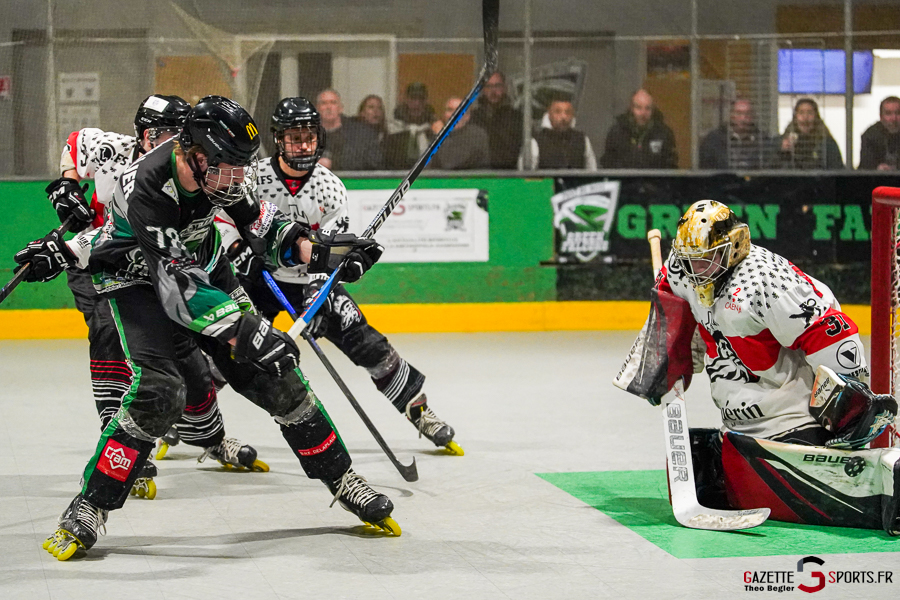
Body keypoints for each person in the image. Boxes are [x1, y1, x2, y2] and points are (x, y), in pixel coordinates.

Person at [21, 95, 395, 561]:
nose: (238, 181)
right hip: (134, 277)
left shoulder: (220, 169)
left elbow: (261, 222)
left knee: (274, 377)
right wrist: (243, 330)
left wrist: (317, 251)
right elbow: (174, 284)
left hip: (201, 261)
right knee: (160, 391)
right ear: (195, 155)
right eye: (229, 170)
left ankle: (341, 477)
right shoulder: (149, 184)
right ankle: (89, 505)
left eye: (242, 170)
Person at [27, 95, 268, 501]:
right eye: (158, 134)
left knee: (187, 357)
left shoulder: (187, 167)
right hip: (104, 266)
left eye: (175, 135)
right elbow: (75, 141)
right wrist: (68, 182)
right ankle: (121, 445)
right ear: (140, 134)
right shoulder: (113, 151)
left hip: (159, 271)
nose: (166, 142)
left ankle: (210, 437)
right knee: (108, 339)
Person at [614, 200, 900, 533]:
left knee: (769, 474)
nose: (697, 271)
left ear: (735, 245)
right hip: (739, 423)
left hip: (793, 418)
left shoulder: (766, 281)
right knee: (700, 460)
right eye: (691, 261)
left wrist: (850, 402)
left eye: (707, 259)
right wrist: (660, 362)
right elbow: (677, 316)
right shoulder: (682, 269)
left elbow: (832, 334)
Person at [217, 96, 463, 455]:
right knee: (228, 346)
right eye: (293, 137)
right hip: (260, 278)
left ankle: (419, 410)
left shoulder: (330, 187)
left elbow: (330, 253)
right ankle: (193, 421)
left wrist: (318, 299)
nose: (303, 145)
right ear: (278, 139)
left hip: (310, 282)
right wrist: (239, 255)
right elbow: (223, 217)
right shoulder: (254, 178)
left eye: (309, 137)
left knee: (367, 344)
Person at [601, 89, 677, 169]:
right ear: (631, 108)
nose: (643, 113)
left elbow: (671, 165)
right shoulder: (617, 133)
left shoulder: (664, 133)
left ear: (653, 110)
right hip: (626, 180)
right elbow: (608, 164)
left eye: (647, 108)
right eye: (638, 108)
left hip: (654, 181)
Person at [520, 96, 598, 170]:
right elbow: (526, 176)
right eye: (558, 112)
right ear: (549, 114)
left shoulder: (582, 139)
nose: (563, 117)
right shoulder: (535, 141)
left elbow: (592, 170)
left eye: (568, 112)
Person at [315, 89, 383, 170]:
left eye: (333, 103)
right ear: (317, 109)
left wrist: (334, 163)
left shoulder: (362, 133)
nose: (329, 107)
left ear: (341, 108)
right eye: (324, 103)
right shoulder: (305, 134)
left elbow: (374, 162)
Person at [470, 71, 523, 169]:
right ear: (483, 89)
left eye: (497, 86)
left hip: (509, 175)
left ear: (504, 88)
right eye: (489, 86)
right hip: (479, 175)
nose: (493, 91)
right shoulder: (473, 118)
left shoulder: (517, 118)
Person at [699, 99, 771, 169]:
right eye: (739, 113)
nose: (743, 118)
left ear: (753, 116)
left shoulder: (763, 141)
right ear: (731, 115)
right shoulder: (713, 140)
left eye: (747, 113)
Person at [775, 98, 843, 170]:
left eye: (809, 113)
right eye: (801, 112)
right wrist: (782, 151)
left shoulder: (827, 144)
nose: (805, 117)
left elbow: (837, 170)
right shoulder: (784, 142)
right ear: (795, 117)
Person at [428, 96, 490, 170]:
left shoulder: (477, 135)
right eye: (450, 110)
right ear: (444, 115)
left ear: (467, 116)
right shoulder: (436, 132)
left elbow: (451, 164)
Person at [858, 96, 900, 170]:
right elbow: (865, 166)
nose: (894, 118)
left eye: (898, 113)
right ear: (881, 116)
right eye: (888, 113)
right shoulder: (870, 135)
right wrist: (877, 168)